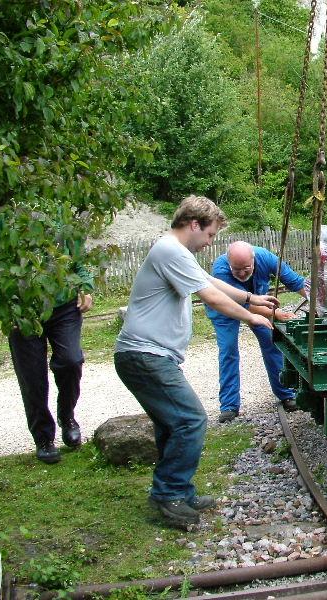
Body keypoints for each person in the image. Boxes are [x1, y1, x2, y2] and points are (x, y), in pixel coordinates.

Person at [114, 195, 278, 530]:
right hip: (145, 355)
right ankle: (169, 495)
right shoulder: (170, 250)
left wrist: (251, 297)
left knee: (173, 425)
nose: (209, 242)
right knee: (190, 420)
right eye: (210, 235)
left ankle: (178, 491)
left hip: (148, 355)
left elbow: (209, 281)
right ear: (194, 224)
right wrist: (252, 317)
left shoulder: (174, 252)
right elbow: (211, 296)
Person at [9, 242, 93, 464]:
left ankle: (67, 417)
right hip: (24, 309)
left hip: (63, 304)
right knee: (32, 376)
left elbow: (77, 257)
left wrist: (84, 286)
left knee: (71, 361)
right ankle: (43, 438)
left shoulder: (58, 213)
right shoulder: (3, 214)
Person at [206, 242, 307, 423]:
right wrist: (275, 314)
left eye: (247, 268)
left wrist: (317, 300)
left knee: (272, 342)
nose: (243, 273)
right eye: (237, 270)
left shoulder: (266, 258)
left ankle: (286, 394)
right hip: (225, 308)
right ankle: (229, 406)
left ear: (254, 259)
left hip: (259, 303)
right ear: (229, 264)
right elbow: (240, 304)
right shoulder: (220, 271)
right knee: (228, 350)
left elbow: (296, 282)